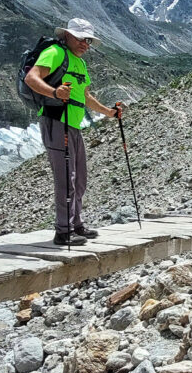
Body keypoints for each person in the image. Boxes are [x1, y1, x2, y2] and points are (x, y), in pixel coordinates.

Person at [24, 18, 124, 246]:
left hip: (74, 124)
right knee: (66, 178)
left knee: (79, 179)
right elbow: (32, 78)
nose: (84, 43)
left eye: (87, 40)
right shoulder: (55, 52)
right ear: (67, 36)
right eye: (79, 38)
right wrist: (54, 92)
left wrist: (110, 113)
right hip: (57, 119)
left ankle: (76, 223)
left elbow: (85, 97)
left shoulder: (79, 63)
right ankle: (63, 230)